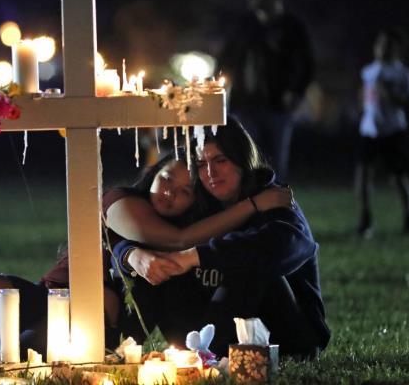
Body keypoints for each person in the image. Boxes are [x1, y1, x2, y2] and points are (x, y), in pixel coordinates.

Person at [0, 152, 293, 369]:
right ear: (152, 174)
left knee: (24, 357)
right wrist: (254, 205)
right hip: (49, 298)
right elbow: (163, 238)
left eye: (184, 192)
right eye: (166, 180)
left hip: (92, 332)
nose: (171, 194)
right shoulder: (121, 203)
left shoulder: (182, 246)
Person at [113, 119, 330, 359]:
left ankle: (206, 356)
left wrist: (194, 256)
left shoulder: (272, 197)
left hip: (285, 335)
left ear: (242, 159)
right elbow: (139, 237)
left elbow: (284, 245)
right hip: (209, 330)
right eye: (201, 164)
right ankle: (121, 351)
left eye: (220, 161)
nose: (210, 173)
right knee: (154, 264)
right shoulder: (199, 200)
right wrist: (132, 255)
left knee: (249, 264)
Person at [217, 0, 314, 181]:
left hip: (277, 107)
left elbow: (306, 64)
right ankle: (250, 209)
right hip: (244, 106)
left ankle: (277, 209)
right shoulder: (243, 25)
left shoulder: (291, 27)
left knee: (277, 164)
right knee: (247, 161)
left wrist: (295, 92)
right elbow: (225, 59)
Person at [356, 28, 409, 238]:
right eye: (380, 44)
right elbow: (365, 98)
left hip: (393, 131)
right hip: (369, 131)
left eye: (388, 45)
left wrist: (391, 95)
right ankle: (366, 220)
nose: (382, 48)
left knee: (399, 177)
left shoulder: (403, 73)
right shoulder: (368, 71)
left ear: (397, 49)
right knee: (364, 175)